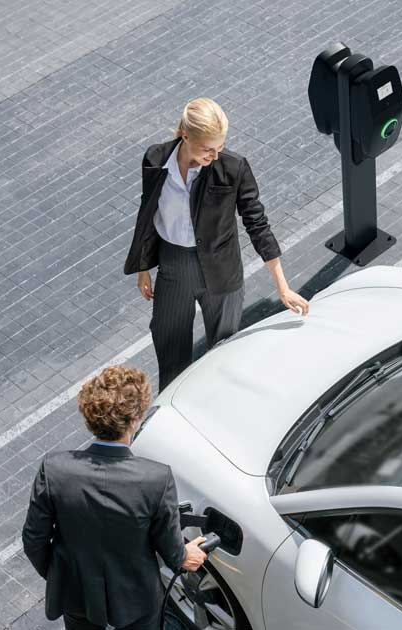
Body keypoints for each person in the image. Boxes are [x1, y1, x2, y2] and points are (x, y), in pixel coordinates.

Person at [123, 97, 310, 391]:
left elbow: (257, 224)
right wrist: (143, 268)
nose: (215, 155)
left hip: (222, 273)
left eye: (220, 147)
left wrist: (282, 286)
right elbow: (149, 214)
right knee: (169, 352)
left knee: (223, 357)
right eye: (208, 149)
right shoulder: (155, 159)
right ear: (185, 135)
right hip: (174, 267)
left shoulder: (234, 168)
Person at [21, 366, 207, 630]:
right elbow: (170, 548)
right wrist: (185, 555)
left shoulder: (54, 469)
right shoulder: (156, 479)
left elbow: (33, 540)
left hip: (77, 595)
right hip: (137, 602)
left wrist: (59, 574)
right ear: (135, 419)